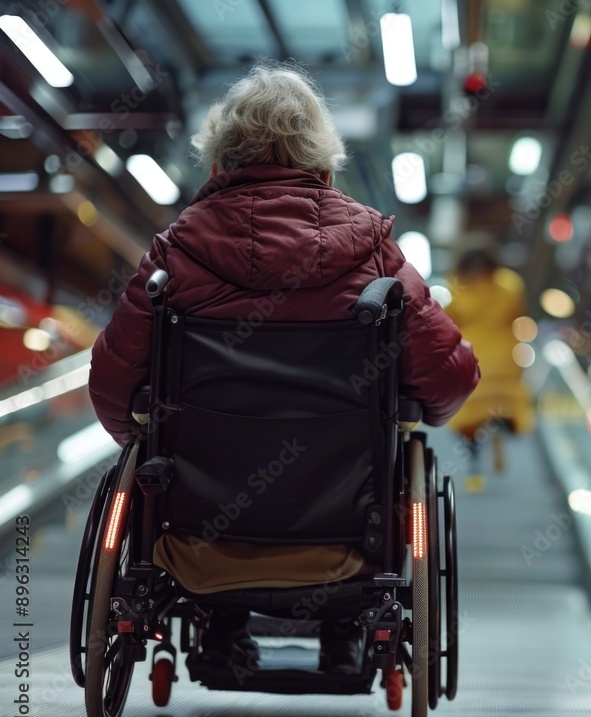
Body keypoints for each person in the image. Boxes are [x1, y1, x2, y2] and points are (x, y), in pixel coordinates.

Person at [88, 62, 479, 672]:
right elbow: (449, 378)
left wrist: (137, 443)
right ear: (323, 170)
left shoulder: (174, 255)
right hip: (352, 540)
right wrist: (417, 412)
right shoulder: (375, 253)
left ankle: (220, 628)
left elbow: (112, 386)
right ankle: (344, 631)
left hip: (194, 541)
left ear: (218, 168)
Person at [443, 249, 533, 485]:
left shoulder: (458, 285)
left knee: (469, 410)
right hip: (503, 356)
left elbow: (450, 320)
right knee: (498, 401)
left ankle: (474, 449)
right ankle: (497, 428)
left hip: (472, 355)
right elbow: (517, 313)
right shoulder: (510, 284)